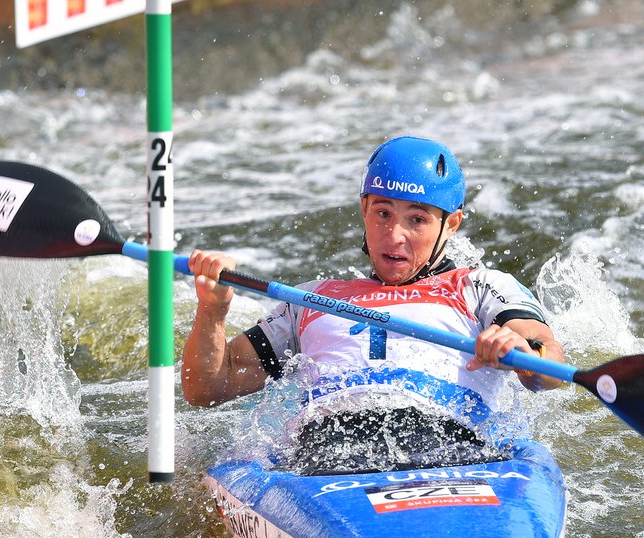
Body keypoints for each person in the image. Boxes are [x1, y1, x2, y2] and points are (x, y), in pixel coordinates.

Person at [182, 136, 564, 473]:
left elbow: (548, 365)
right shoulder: (311, 299)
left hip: (451, 446)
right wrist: (212, 312)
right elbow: (207, 388)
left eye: (416, 219)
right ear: (364, 209)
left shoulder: (479, 287)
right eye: (383, 213)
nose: (394, 236)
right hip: (324, 451)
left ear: (451, 224)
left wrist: (518, 349)